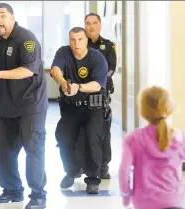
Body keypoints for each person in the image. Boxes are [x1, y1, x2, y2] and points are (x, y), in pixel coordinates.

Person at [0, 3, 48, 209]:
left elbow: (28, 70)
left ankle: (38, 195)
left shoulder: (26, 39)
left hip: (31, 104)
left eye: (2, 15)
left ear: (12, 18)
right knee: (2, 149)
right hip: (7, 104)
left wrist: (0, 74)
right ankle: (12, 191)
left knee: (33, 149)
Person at [118, 86, 185, 209]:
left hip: (144, 204)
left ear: (142, 110)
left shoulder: (133, 139)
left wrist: (126, 199)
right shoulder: (179, 138)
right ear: (168, 108)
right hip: (174, 202)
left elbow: (123, 172)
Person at [51, 27, 108, 194]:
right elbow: (55, 70)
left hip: (93, 107)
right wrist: (62, 82)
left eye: (80, 39)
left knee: (92, 139)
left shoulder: (97, 58)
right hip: (70, 107)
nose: (76, 43)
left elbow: (97, 85)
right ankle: (72, 170)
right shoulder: (64, 52)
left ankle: (92, 179)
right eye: (73, 40)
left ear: (87, 41)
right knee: (63, 137)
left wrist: (79, 87)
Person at [84, 13, 117, 179]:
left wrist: (98, 79)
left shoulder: (109, 47)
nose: (91, 26)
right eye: (88, 23)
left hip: (101, 94)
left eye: (94, 23)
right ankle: (85, 165)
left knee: (103, 132)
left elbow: (111, 69)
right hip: (82, 94)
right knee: (83, 131)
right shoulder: (80, 44)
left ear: (100, 25)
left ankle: (104, 166)